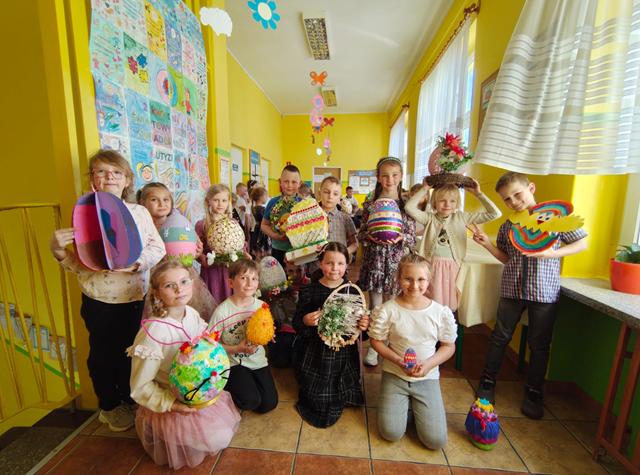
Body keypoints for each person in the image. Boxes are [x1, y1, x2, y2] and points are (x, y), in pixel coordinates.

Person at [49, 149, 165, 432]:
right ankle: (109, 405)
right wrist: (57, 250)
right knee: (103, 354)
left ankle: (127, 396)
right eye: (101, 171)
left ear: (127, 179)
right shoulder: (84, 212)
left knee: (130, 351)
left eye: (116, 172)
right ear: (92, 179)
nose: (109, 176)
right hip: (99, 299)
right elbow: (80, 263)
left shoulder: (139, 213)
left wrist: (136, 264)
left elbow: (157, 247)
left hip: (134, 296)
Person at [472, 172, 587, 419]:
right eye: (507, 199)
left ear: (531, 188)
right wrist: (486, 244)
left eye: (517, 194)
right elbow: (506, 257)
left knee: (539, 344)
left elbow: (582, 243)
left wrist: (552, 254)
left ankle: (534, 391)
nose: (514, 202)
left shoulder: (555, 218)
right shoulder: (508, 226)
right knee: (499, 337)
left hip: (544, 292)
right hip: (511, 290)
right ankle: (487, 382)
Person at [128, 261, 240, 469]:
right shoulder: (154, 332)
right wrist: (172, 404)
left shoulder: (191, 314)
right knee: (217, 438)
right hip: (171, 401)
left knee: (222, 435)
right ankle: (166, 434)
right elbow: (140, 386)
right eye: (169, 285)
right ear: (157, 292)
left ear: (192, 283)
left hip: (195, 391)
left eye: (183, 282)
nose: (179, 289)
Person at [369, 254, 456, 449]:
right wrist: (398, 361)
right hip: (395, 375)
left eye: (421, 279)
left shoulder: (439, 312)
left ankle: (415, 407)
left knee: (435, 441)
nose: (414, 285)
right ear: (398, 278)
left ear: (429, 280)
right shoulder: (388, 310)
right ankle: (405, 405)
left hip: (427, 377)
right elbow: (376, 341)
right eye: (408, 279)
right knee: (390, 433)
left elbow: (448, 346)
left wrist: (428, 365)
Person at [293, 242, 370, 428]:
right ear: (320, 263)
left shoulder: (352, 291)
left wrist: (364, 326)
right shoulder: (309, 290)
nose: (335, 268)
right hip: (316, 351)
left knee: (342, 389)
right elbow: (296, 322)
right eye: (329, 263)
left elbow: (359, 328)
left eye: (340, 263)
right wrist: (305, 320)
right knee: (319, 400)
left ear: (347, 265)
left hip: (344, 350)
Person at [405, 179, 501, 312]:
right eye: (442, 200)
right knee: (431, 299)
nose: (447, 205)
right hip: (431, 265)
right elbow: (409, 208)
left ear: (457, 203)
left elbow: (495, 214)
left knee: (449, 300)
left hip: (453, 266)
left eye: (452, 201)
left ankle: (447, 321)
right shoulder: (429, 218)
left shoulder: (462, 217)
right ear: (434, 202)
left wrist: (478, 194)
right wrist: (425, 189)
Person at [358, 157, 416, 366]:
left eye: (394, 175)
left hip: (396, 263)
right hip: (375, 262)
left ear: (401, 176)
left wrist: (402, 238)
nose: (389, 180)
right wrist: (369, 236)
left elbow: (412, 236)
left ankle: (391, 346)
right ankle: (375, 348)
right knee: (376, 307)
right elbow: (361, 232)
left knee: (393, 305)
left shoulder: (407, 204)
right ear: (378, 177)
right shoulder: (370, 203)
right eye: (385, 175)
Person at [137, 182, 216, 321]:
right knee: (162, 310)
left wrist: (197, 251)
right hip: (157, 275)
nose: (162, 204)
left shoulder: (179, 222)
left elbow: (193, 243)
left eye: (166, 199)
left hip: (181, 273)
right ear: (143, 203)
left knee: (188, 307)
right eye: (154, 200)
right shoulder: (143, 226)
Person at [209, 259, 278, 413]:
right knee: (250, 401)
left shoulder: (261, 306)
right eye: (243, 278)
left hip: (257, 359)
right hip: (233, 363)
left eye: (254, 278)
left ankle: (248, 385)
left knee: (269, 404)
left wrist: (269, 334)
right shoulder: (222, 312)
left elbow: (266, 327)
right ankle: (227, 387)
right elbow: (209, 345)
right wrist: (236, 349)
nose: (249, 283)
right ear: (231, 282)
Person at [195, 184, 236, 303]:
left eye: (224, 200)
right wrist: (201, 257)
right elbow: (197, 248)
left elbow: (239, 244)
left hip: (229, 269)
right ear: (208, 201)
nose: (220, 204)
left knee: (230, 299)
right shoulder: (202, 224)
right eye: (216, 200)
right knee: (214, 299)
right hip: (211, 271)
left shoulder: (233, 223)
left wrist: (243, 253)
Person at [261, 165, 302, 267]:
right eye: (286, 181)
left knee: (298, 275)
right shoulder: (273, 202)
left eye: (294, 182)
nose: (289, 185)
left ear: (300, 184)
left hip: (299, 250)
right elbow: (264, 225)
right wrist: (276, 236)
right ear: (280, 182)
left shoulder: (303, 204)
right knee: (279, 275)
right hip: (278, 249)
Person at [249, 185, 271, 260]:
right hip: (262, 231)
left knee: (259, 251)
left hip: (258, 229)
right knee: (262, 251)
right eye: (266, 196)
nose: (267, 198)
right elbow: (267, 220)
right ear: (261, 197)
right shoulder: (261, 209)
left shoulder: (255, 207)